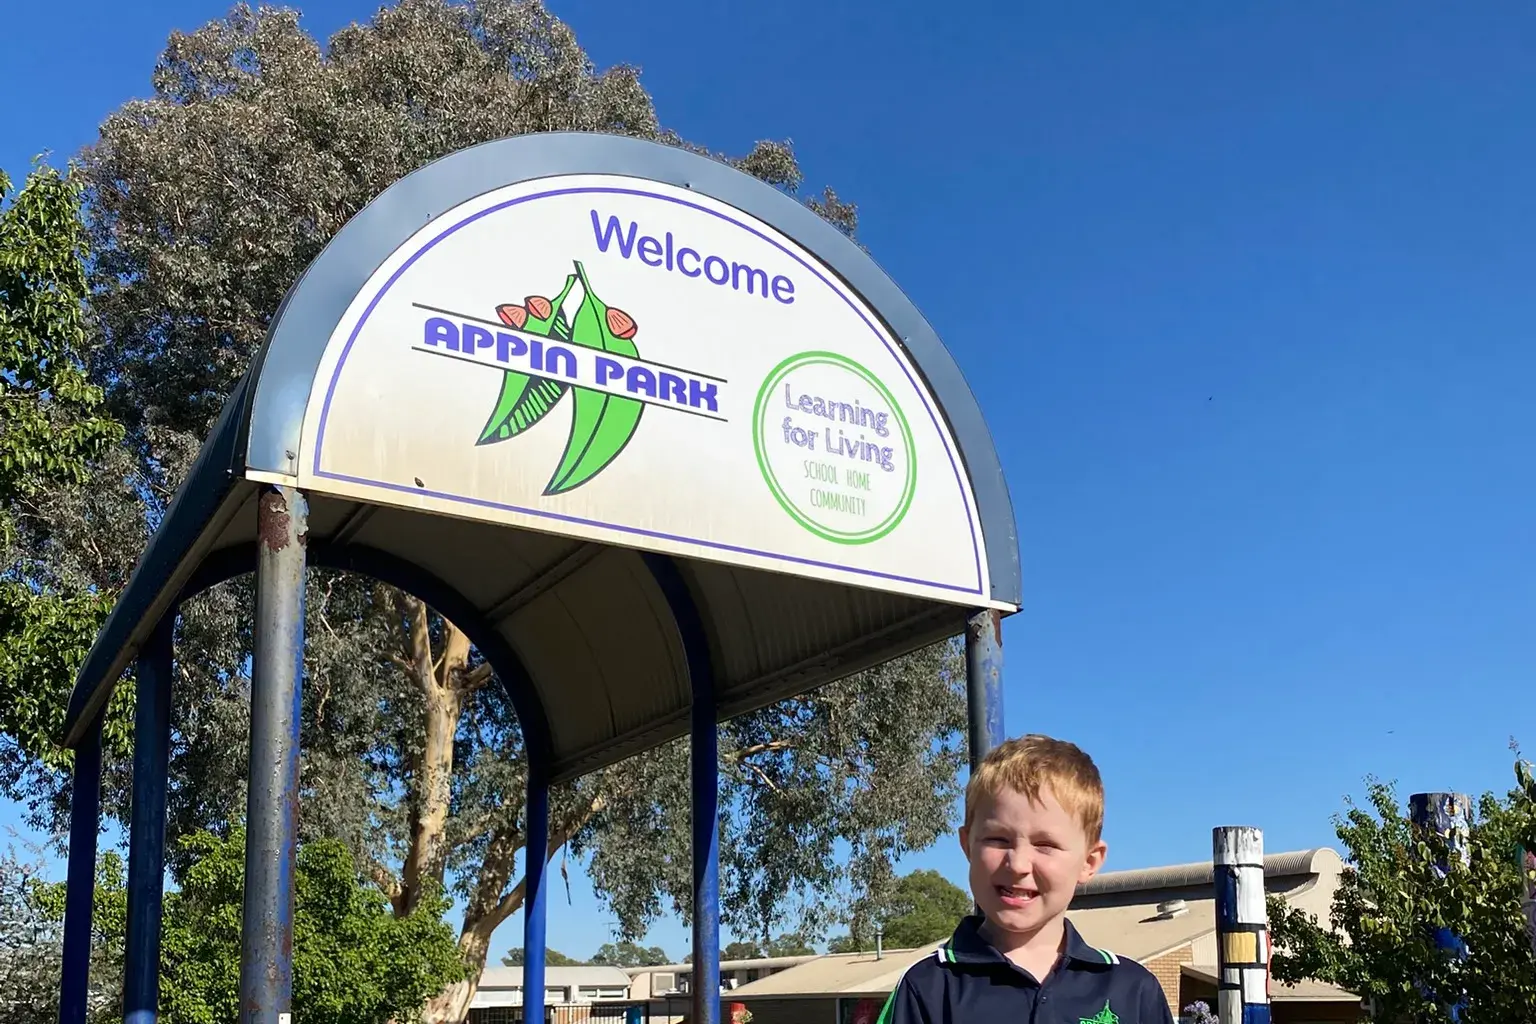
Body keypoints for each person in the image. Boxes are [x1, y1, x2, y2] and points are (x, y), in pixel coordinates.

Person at [876, 734, 1176, 1023]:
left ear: (1089, 861)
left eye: (1045, 845)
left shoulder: (1132, 990)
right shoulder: (926, 987)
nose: (1017, 864)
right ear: (967, 845)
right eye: (997, 839)